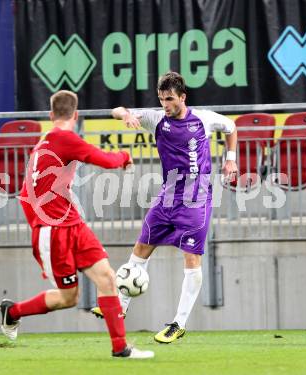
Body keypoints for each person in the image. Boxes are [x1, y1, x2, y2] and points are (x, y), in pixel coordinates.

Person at [0, 90, 154, 359]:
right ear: (76, 114)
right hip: (53, 232)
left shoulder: (43, 144)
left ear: (50, 115)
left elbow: (25, 195)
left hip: (72, 225)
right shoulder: (64, 139)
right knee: (67, 298)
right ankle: (12, 312)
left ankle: (121, 348)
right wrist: (124, 157)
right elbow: (105, 160)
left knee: (107, 278)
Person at [91, 71, 238, 343]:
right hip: (166, 199)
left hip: (196, 200)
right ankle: (120, 307)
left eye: (169, 99)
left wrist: (231, 160)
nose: (165, 105)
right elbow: (117, 109)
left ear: (183, 97)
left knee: (191, 260)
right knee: (140, 249)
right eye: (161, 99)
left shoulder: (204, 119)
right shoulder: (157, 119)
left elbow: (231, 127)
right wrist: (126, 115)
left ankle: (178, 324)